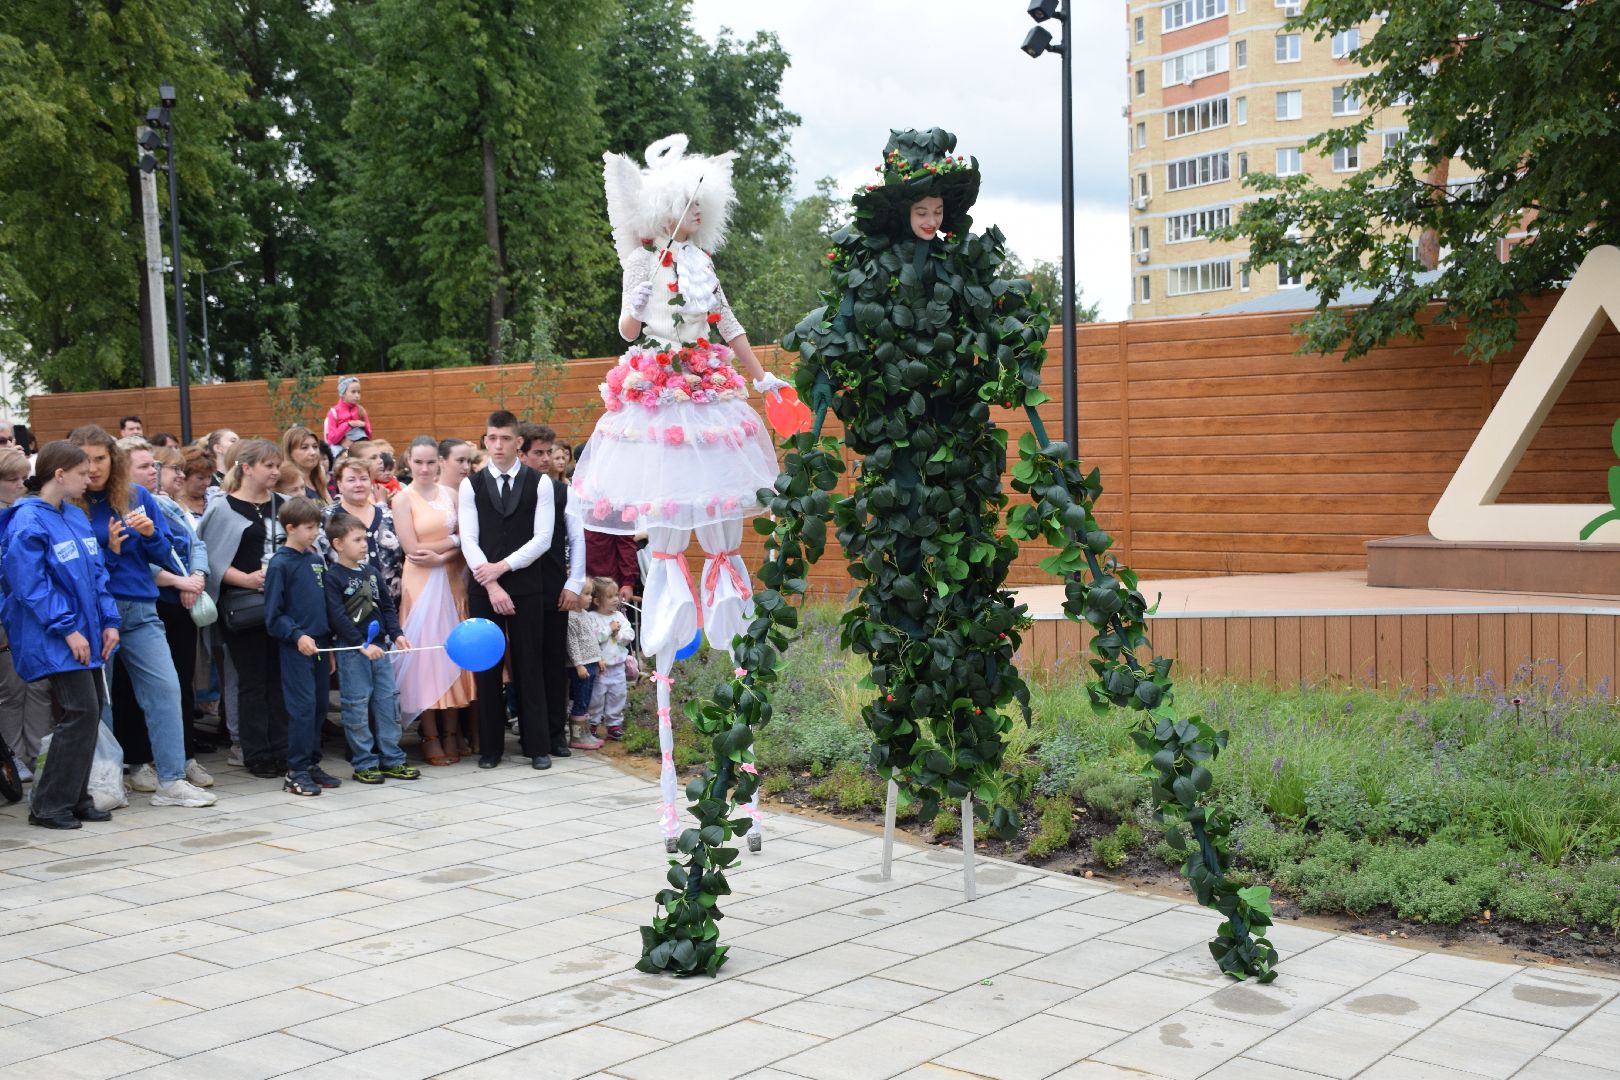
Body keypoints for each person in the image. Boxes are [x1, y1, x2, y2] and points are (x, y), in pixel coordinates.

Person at [574, 133, 783, 846]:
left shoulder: (703, 264)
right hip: (662, 399)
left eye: (703, 209)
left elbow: (727, 324)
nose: (695, 218)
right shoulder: (643, 260)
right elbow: (629, 329)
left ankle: (745, 779)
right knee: (666, 532)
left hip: (709, 395)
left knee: (723, 533)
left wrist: (759, 376)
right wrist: (638, 297)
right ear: (663, 208)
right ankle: (668, 781)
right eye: (686, 207)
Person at [71, 427, 215, 808]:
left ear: (113, 459)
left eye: (100, 458)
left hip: (141, 608)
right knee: (100, 702)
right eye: (84, 459)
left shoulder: (136, 496)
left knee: (167, 690)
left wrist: (150, 534)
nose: (93, 467)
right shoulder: (69, 504)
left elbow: (168, 553)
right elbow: (70, 567)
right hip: (97, 614)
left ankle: (171, 781)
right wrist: (109, 549)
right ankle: (102, 783)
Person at [0, 441, 121, 828]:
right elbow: (30, 585)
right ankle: (49, 804)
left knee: (91, 711)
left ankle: (75, 796)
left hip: (85, 631)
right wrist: (68, 629)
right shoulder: (27, 520)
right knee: (80, 710)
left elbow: (98, 573)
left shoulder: (75, 515)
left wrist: (109, 621)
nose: (90, 480)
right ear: (59, 474)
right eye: (83, 474)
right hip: (56, 635)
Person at [460, 410, 585, 770]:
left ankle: (538, 746)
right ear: (486, 441)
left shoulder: (541, 484)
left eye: (505, 438)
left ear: (518, 442)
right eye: (492, 438)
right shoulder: (472, 485)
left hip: (527, 585)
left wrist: (503, 568)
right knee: (487, 666)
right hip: (485, 588)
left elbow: (543, 538)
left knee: (530, 664)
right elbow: (468, 538)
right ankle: (491, 748)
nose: (498, 445)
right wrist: (492, 581)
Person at [198, 438, 289, 778]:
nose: (275, 471)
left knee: (280, 679)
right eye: (269, 465)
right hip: (243, 607)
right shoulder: (222, 508)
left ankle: (283, 748)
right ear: (247, 467)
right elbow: (209, 557)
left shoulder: (285, 504)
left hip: (282, 606)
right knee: (252, 680)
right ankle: (256, 752)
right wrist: (246, 579)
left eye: (278, 465)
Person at [392, 436, 476, 764]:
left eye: (430, 462)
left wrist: (445, 551)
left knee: (453, 653)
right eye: (418, 462)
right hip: (421, 583)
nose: (425, 468)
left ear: (439, 462)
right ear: (409, 463)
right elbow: (413, 550)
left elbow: (467, 539)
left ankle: (453, 732)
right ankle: (429, 735)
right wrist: (452, 544)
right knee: (426, 657)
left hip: (452, 578)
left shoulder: (452, 495)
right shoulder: (402, 499)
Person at [324, 511, 420, 785]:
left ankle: (392, 760)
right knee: (356, 706)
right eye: (357, 540)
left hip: (380, 648)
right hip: (353, 650)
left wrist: (398, 634)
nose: (364, 544)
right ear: (338, 544)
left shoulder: (373, 573)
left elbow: (387, 607)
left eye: (365, 538)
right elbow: (337, 617)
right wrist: (360, 644)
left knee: (388, 703)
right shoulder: (334, 577)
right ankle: (364, 762)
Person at [264, 496, 342, 796]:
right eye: (309, 528)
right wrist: (296, 635)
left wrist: (329, 644)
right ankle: (295, 770)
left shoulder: (314, 560)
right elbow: (274, 616)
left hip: (320, 645)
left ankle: (311, 763)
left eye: (317, 527)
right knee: (303, 708)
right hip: (296, 647)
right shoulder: (280, 564)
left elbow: (322, 605)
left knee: (320, 706)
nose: (315, 533)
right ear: (290, 528)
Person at [147, 444, 215, 765]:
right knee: (165, 682)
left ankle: (185, 751)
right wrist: (180, 582)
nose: (181, 476)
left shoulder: (177, 507)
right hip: (161, 602)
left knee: (183, 678)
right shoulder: (151, 505)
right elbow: (145, 558)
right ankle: (155, 756)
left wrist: (197, 576)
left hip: (185, 600)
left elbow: (196, 543)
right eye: (176, 470)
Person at [0, 447, 51, 781]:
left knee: (40, 685)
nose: (21, 484)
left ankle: (39, 752)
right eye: (12, 479)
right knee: (11, 689)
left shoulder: (26, 511)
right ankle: (13, 756)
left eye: (23, 478)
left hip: (32, 611)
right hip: (7, 613)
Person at [320, 455, 403, 608]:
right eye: (351, 480)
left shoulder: (388, 516)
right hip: (348, 610)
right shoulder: (326, 518)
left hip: (393, 607)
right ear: (339, 484)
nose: (358, 484)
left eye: (363, 479)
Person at [564, 580, 603, 751]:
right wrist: (578, 665)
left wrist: (599, 657)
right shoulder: (571, 618)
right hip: (582, 667)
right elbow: (572, 644)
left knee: (587, 699)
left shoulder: (585, 615)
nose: (590, 598)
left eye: (591, 593)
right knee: (580, 699)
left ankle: (585, 733)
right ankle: (577, 736)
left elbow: (592, 639)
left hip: (592, 662)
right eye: (586, 594)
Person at [278, 426, 331, 503]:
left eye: (315, 447)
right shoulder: (285, 480)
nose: (313, 452)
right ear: (290, 452)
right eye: (304, 447)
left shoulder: (320, 474)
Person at [325, 376, 373, 454]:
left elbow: (369, 436)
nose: (357, 395)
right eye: (353, 392)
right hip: (341, 452)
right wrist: (348, 424)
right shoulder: (334, 412)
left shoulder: (361, 410)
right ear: (342, 394)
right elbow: (331, 439)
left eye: (359, 392)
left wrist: (364, 425)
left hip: (361, 448)